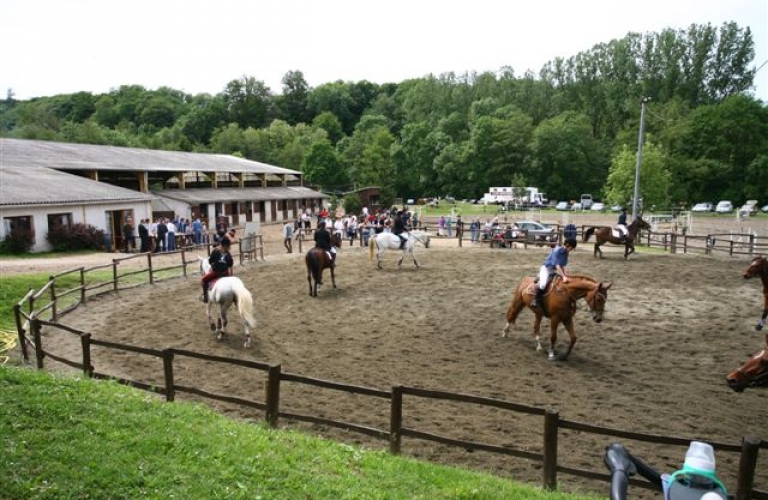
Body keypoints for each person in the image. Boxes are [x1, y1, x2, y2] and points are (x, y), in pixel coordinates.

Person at [531, 238, 577, 308]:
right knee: (543, 284)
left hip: (554, 270)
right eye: (571, 248)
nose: (571, 250)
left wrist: (566, 275)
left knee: (564, 283)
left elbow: (562, 266)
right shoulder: (557, 250)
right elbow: (557, 266)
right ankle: (535, 300)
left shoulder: (566, 253)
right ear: (567, 245)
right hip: (546, 269)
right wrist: (564, 276)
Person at [201, 237, 234, 303]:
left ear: (221, 244)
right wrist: (231, 274)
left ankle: (205, 297)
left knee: (203, 280)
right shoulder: (228, 253)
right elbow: (230, 264)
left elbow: (210, 261)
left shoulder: (215, 251)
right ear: (227, 245)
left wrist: (215, 264)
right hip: (225, 273)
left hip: (216, 272)